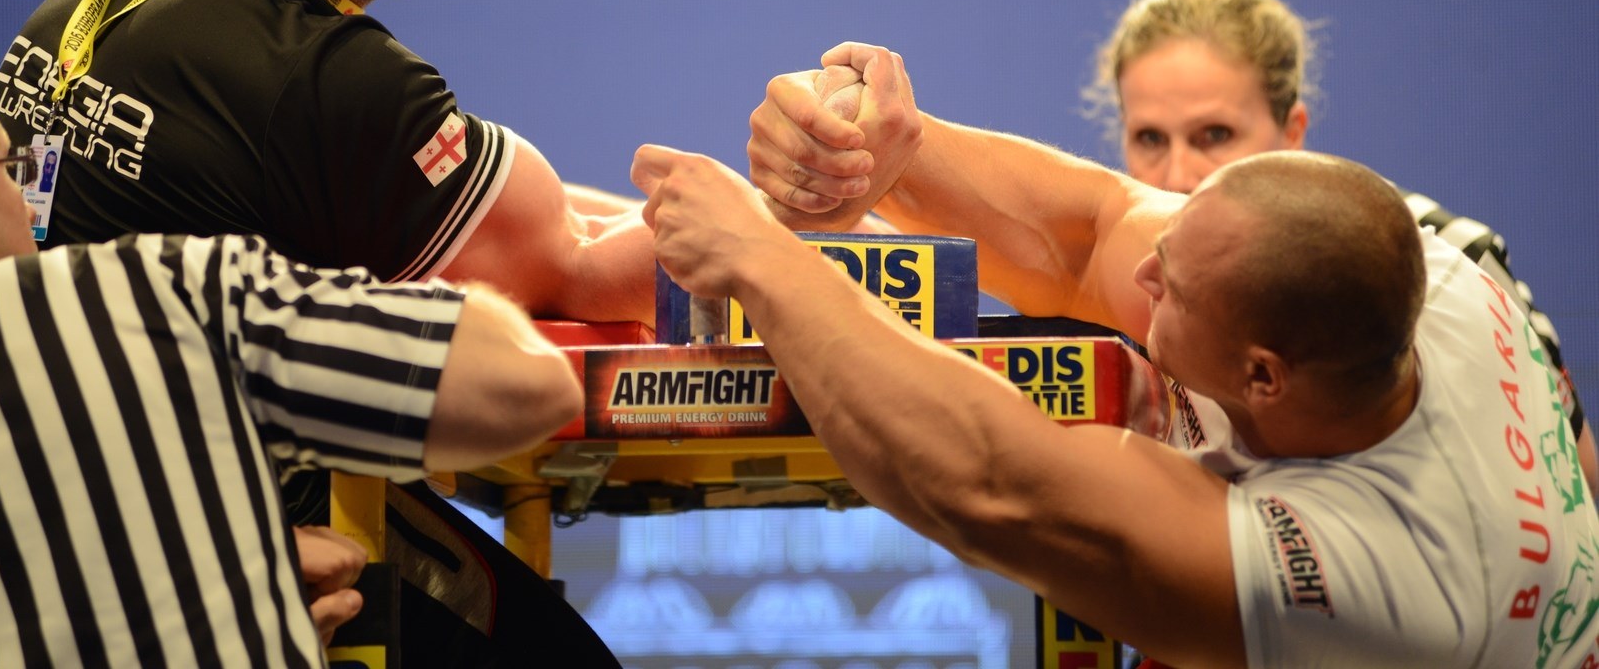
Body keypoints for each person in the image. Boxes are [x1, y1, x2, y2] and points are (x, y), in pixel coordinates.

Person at [0, 0, 648, 656]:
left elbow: (510, 218)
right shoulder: (323, 78)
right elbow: (587, 273)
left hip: (56, 530)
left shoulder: (80, 10)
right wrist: (802, 207)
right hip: (226, 560)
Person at [639, 42, 1599, 667]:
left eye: (1169, 293)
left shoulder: (1392, 584)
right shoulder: (1416, 272)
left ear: (1264, 375)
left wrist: (764, 258)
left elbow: (987, 482)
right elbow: (1093, 233)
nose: (1141, 289)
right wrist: (886, 150)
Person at [0, 100, 587, 666]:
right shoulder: (151, 288)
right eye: (9, 169)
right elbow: (529, 384)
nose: (28, 201)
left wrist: (227, 569)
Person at [1084, 0, 1597, 484]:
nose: (1177, 174)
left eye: (1214, 134)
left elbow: (1573, 482)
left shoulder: (1449, 256)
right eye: (1150, 139)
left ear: (1292, 131)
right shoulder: (1113, 292)